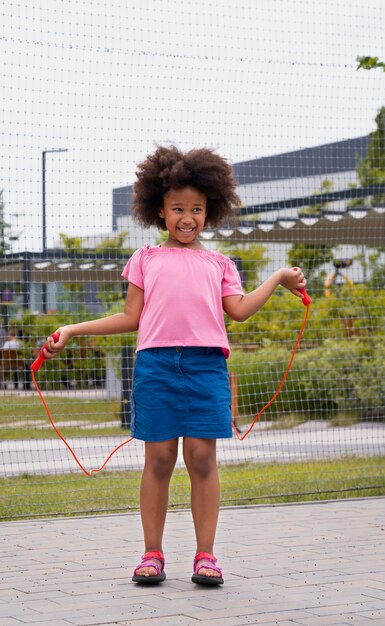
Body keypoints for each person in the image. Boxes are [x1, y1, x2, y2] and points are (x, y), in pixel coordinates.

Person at [42, 146, 307, 586]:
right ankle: (152, 554)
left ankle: (206, 556)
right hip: (157, 366)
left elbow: (238, 311)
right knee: (160, 458)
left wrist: (278, 279)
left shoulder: (220, 263)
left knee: (202, 458)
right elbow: (130, 318)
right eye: (178, 208)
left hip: (206, 369)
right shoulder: (145, 259)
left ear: (211, 211)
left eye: (197, 209)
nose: (188, 217)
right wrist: (72, 329)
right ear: (160, 212)